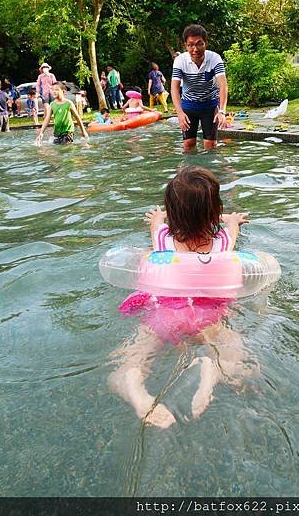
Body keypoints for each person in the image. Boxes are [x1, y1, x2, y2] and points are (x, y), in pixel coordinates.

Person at [108, 166, 253, 428]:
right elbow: (231, 235)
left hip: (164, 313)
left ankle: (131, 382)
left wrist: (158, 217)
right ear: (214, 213)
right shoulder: (220, 244)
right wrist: (232, 222)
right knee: (232, 351)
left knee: (136, 354)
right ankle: (214, 369)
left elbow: (156, 225)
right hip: (208, 316)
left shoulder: (163, 240)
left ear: (172, 213)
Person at [171, 24, 227, 151]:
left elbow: (223, 85)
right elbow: (174, 87)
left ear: (205, 43)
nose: (195, 49)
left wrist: (222, 111)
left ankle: (211, 170)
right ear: (185, 45)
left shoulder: (214, 58)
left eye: (199, 44)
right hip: (188, 107)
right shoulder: (180, 60)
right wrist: (179, 113)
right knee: (188, 144)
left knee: (210, 146)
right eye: (190, 45)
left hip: (210, 107)